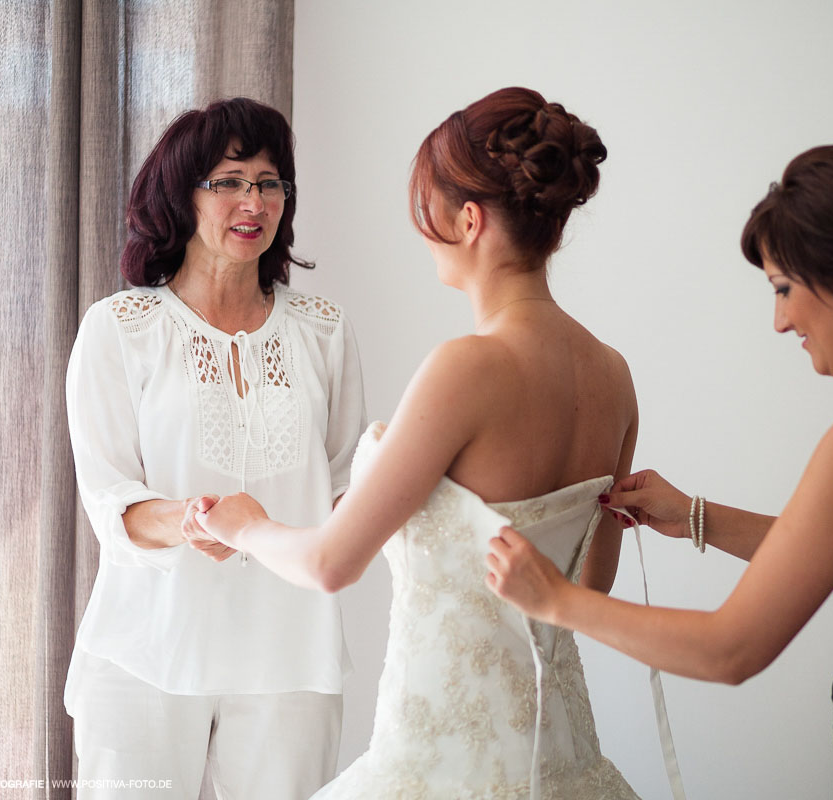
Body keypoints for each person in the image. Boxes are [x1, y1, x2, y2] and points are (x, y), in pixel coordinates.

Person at [486, 145, 833, 799]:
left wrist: (558, 600)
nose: (781, 321)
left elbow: (730, 651)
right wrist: (696, 516)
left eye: (784, 289)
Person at [195, 87, 642, 799]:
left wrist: (245, 526)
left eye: (427, 207)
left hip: (438, 767)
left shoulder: (469, 368)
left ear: (468, 220)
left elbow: (332, 563)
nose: (421, 228)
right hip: (560, 765)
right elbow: (590, 589)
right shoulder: (613, 376)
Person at [64, 97, 366, 799]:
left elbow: (348, 485)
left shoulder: (324, 329)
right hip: (145, 652)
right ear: (180, 193)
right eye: (228, 180)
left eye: (269, 182)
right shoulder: (119, 328)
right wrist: (196, 519)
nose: (253, 200)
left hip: (292, 658)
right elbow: (112, 503)